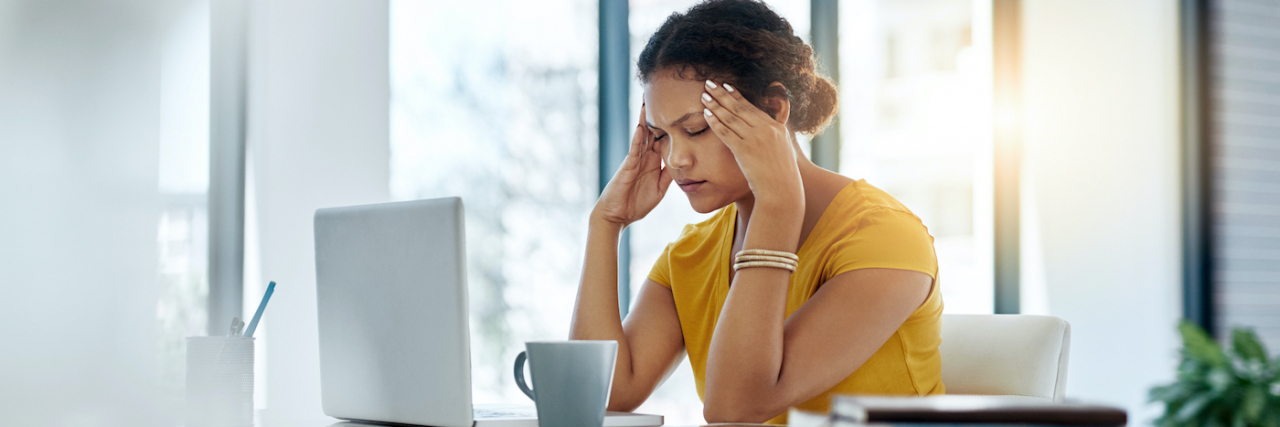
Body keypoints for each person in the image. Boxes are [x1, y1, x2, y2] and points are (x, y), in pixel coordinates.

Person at [569, 0, 945, 423]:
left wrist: (778, 204)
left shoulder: (884, 237)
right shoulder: (691, 256)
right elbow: (602, 395)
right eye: (660, 136)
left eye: (695, 129)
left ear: (774, 110)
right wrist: (605, 224)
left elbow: (735, 408)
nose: (675, 159)